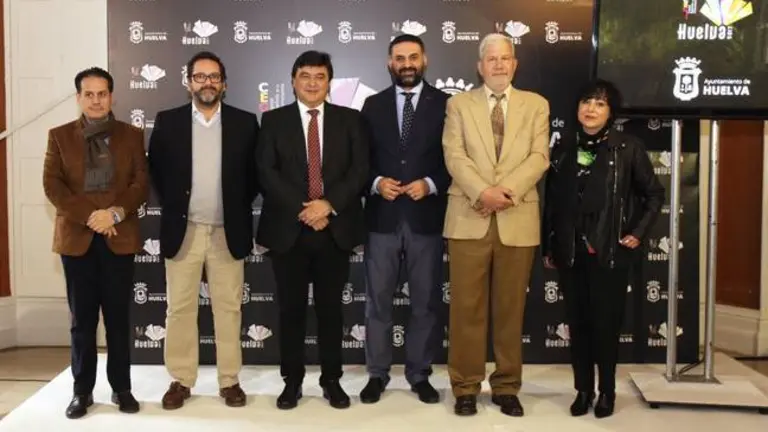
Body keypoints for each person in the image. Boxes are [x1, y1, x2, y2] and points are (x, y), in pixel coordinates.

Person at [541, 79, 664, 418]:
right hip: (571, 252)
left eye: (599, 103)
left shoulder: (627, 148)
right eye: (586, 102)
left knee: (605, 326)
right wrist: (551, 244)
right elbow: (552, 202)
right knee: (578, 324)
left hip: (609, 253)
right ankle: (583, 390)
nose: (591, 109)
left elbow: (654, 194)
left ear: (611, 112)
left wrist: (637, 232)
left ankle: (607, 391)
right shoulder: (564, 147)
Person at [442, 33, 550, 417]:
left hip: (517, 217)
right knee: (466, 310)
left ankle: (506, 386)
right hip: (468, 218)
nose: (499, 65)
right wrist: (482, 192)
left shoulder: (536, 105)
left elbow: (539, 156)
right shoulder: (458, 104)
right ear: (480, 66)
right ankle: (465, 386)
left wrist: (505, 193)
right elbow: (454, 155)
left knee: (510, 310)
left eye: (505, 58)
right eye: (492, 59)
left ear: (515, 64)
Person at [255, 50, 369, 410]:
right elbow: (266, 172)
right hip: (288, 230)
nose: (312, 83)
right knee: (290, 311)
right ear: (293, 81)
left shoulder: (350, 120)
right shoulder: (273, 120)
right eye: (305, 76)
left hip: (334, 229)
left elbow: (359, 170)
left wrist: (327, 205)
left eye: (320, 76)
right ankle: (292, 381)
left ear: (329, 82)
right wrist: (305, 209)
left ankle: (331, 380)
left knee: (331, 311)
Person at [147, 51, 260, 409]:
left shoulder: (245, 122)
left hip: (228, 232)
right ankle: (181, 380)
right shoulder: (168, 121)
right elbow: (156, 172)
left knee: (228, 309)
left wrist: (233, 206)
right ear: (188, 83)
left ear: (224, 84)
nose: (207, 83)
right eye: (200, 76)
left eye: (214, 77)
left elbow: (254, 177)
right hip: (185, 231)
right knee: (179, 308)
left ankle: (229, 380)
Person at [43, 67, 148, 419]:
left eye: (102, 94)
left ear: (112, 96)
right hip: (78, 240)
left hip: (119, 238)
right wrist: (92, 216)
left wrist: (114, 214)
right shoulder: (59, 136)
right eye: (89, 94)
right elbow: (53, 186)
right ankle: (81, 392)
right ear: (78, 98)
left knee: (118, 319)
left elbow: (140, 184)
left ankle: (122, 388)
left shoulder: (132, 135)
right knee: (82, 322)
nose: (96, 100)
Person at [358, 34, 450, 405]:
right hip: (382, 219)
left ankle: (419, 374)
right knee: (377, 303)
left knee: (424, 304)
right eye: (400, 58)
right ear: (389, 63)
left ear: (424, 61)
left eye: (413, 57)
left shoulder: (446, 105)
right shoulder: (372, 105)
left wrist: (430, 184)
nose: (407, 64)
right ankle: (377, 374)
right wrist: (376, 182)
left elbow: (457, 159)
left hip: (426, 220)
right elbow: (358, 160)